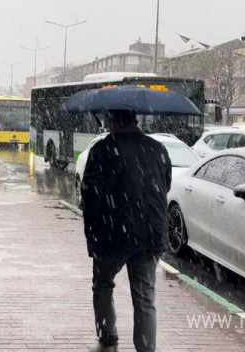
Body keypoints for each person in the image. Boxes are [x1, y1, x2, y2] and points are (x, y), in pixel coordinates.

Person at [81, 110, 172, 352]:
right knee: (144, 298)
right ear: (135, 121)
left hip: (112, 233)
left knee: (102, 284)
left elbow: (91, 196)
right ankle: (146, 349)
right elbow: (166, 185)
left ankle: (108, 336)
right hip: (150, 233)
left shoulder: (102, 150)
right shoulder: (158, 149)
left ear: (113, 120)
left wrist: (92, 234)